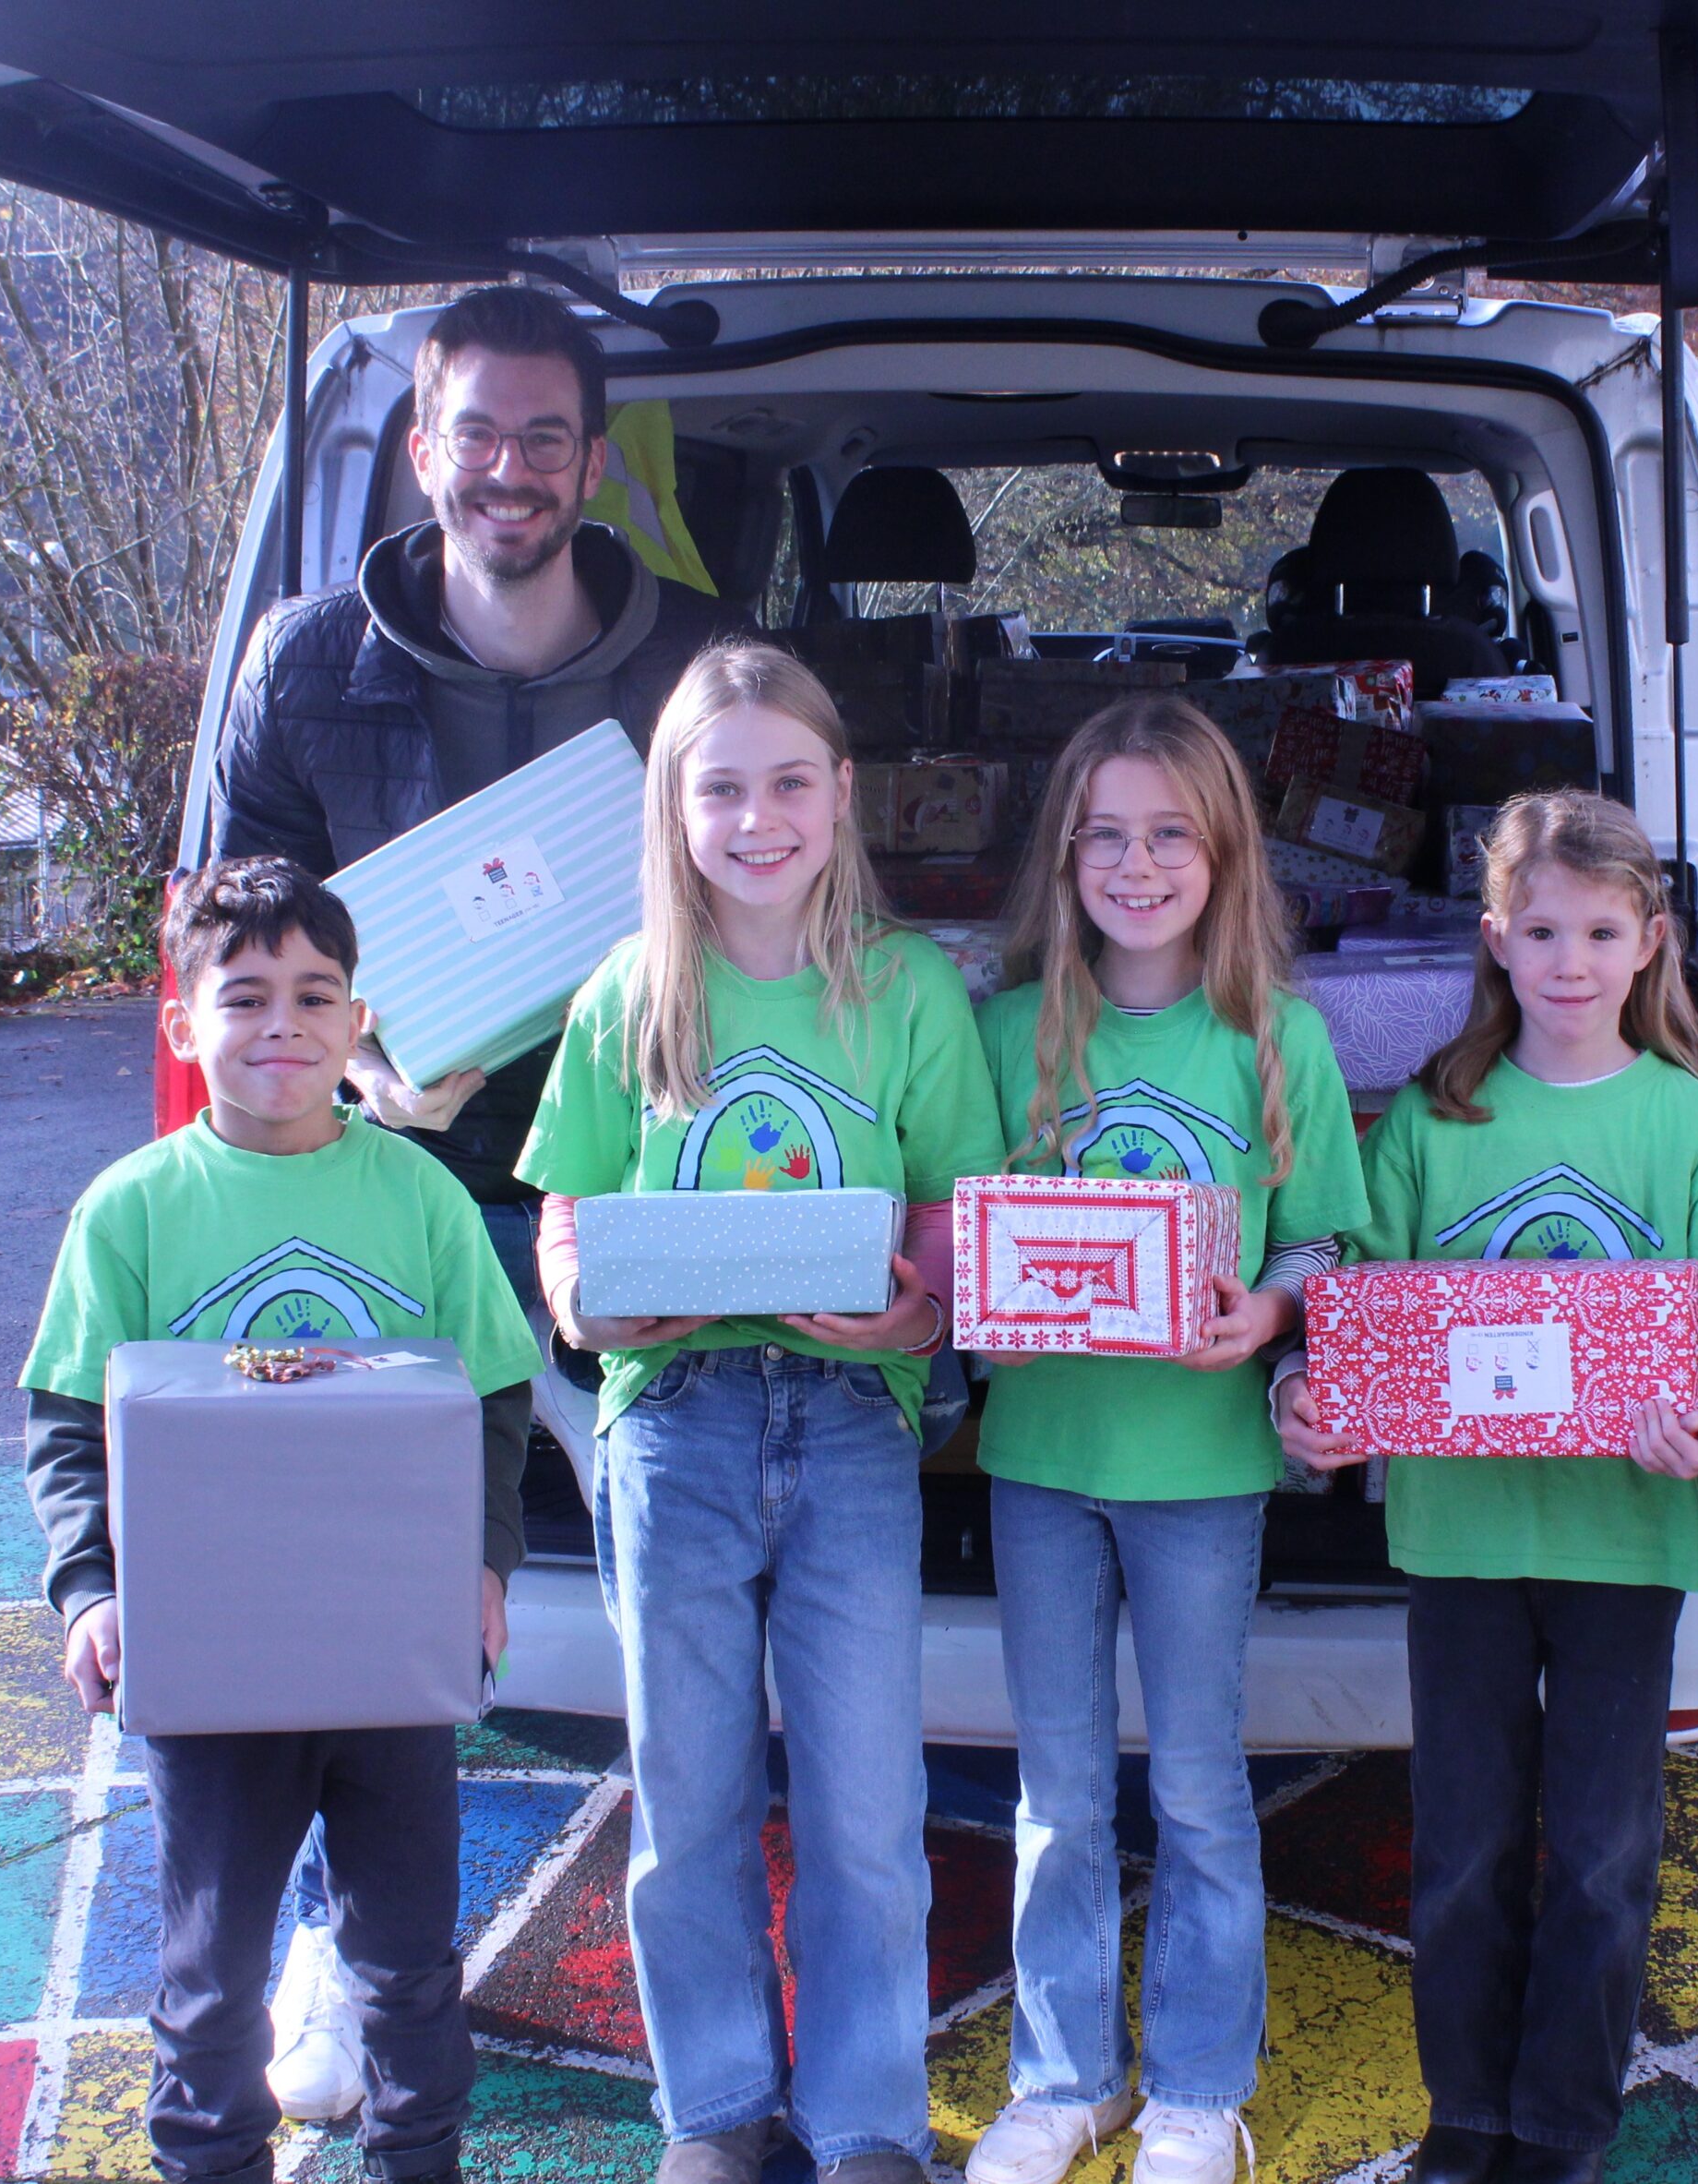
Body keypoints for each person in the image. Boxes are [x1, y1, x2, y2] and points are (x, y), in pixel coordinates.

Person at [205, 281, 749, 2115]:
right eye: (473, 433)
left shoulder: (692, 658)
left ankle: (712, 1987)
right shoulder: (301, 668)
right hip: (385, 1192)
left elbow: (762, 906)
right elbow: (238, 941)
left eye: (542, 437)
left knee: (672, 1588)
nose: (506, 469)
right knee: (334, 1600)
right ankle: (336, 1969)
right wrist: (356, 1054)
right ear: (414, 449)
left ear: (593, 461)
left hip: (629, 1189)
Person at [515, 642, 1004, 2184]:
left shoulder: (911, 988)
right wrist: (586, 1302)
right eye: (718, 786)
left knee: (868, 1796)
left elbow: (947, 1226)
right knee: (691, 1786)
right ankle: (718, 2111)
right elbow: (565, 1224)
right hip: (675, 1424)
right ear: (673, 806)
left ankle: (863, 2118)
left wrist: (915, 1311)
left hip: (857, 1418)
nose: (757, 816)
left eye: (790, 780)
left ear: (842, 792)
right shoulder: (626, 993)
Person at [1276, 790, 1698, 2184]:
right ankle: (1471, 2110)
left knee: (1607, 1854)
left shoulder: (1689, 1124)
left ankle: (1563, 2119)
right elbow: (1355, 1298)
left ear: (1649, 943)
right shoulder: (1438, 1120)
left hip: (1626, 1541)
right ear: (1495, 938)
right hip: (1465, 1536)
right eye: (1542, 928)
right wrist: (1310, 1399)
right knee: (1466, 1846)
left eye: (1601, 929)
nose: (1570, 957)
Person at [20, 857, 542, 2184]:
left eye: (316, 995)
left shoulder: (419, 1196)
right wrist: (91, 1587)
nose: (282, 1025)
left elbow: (491, 1393)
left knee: (409, 1960)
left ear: (359, 1021)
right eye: (243, 995)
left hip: (389, 1651)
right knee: (210, 1973)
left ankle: (417, 2159)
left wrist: (484, 1566)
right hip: (212, 1661)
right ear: (182, 1023)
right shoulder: (130, 1209)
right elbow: (71, 1420)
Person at [965, 697, 1369, 2184]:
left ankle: (1201, 2085)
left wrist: (1268, 1314)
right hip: (1042, 1461)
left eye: (1170, 836)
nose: (1137, 864)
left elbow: (1327, 1245)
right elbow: (960, 1238)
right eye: (1107, 835)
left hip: (1201, 1470)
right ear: (1067, 853)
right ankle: (1066, 2078)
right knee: (1057, 1791)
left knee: (1199, 1784)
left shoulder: (1279, 1040)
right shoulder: (1008, 1032)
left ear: (1225, 855)